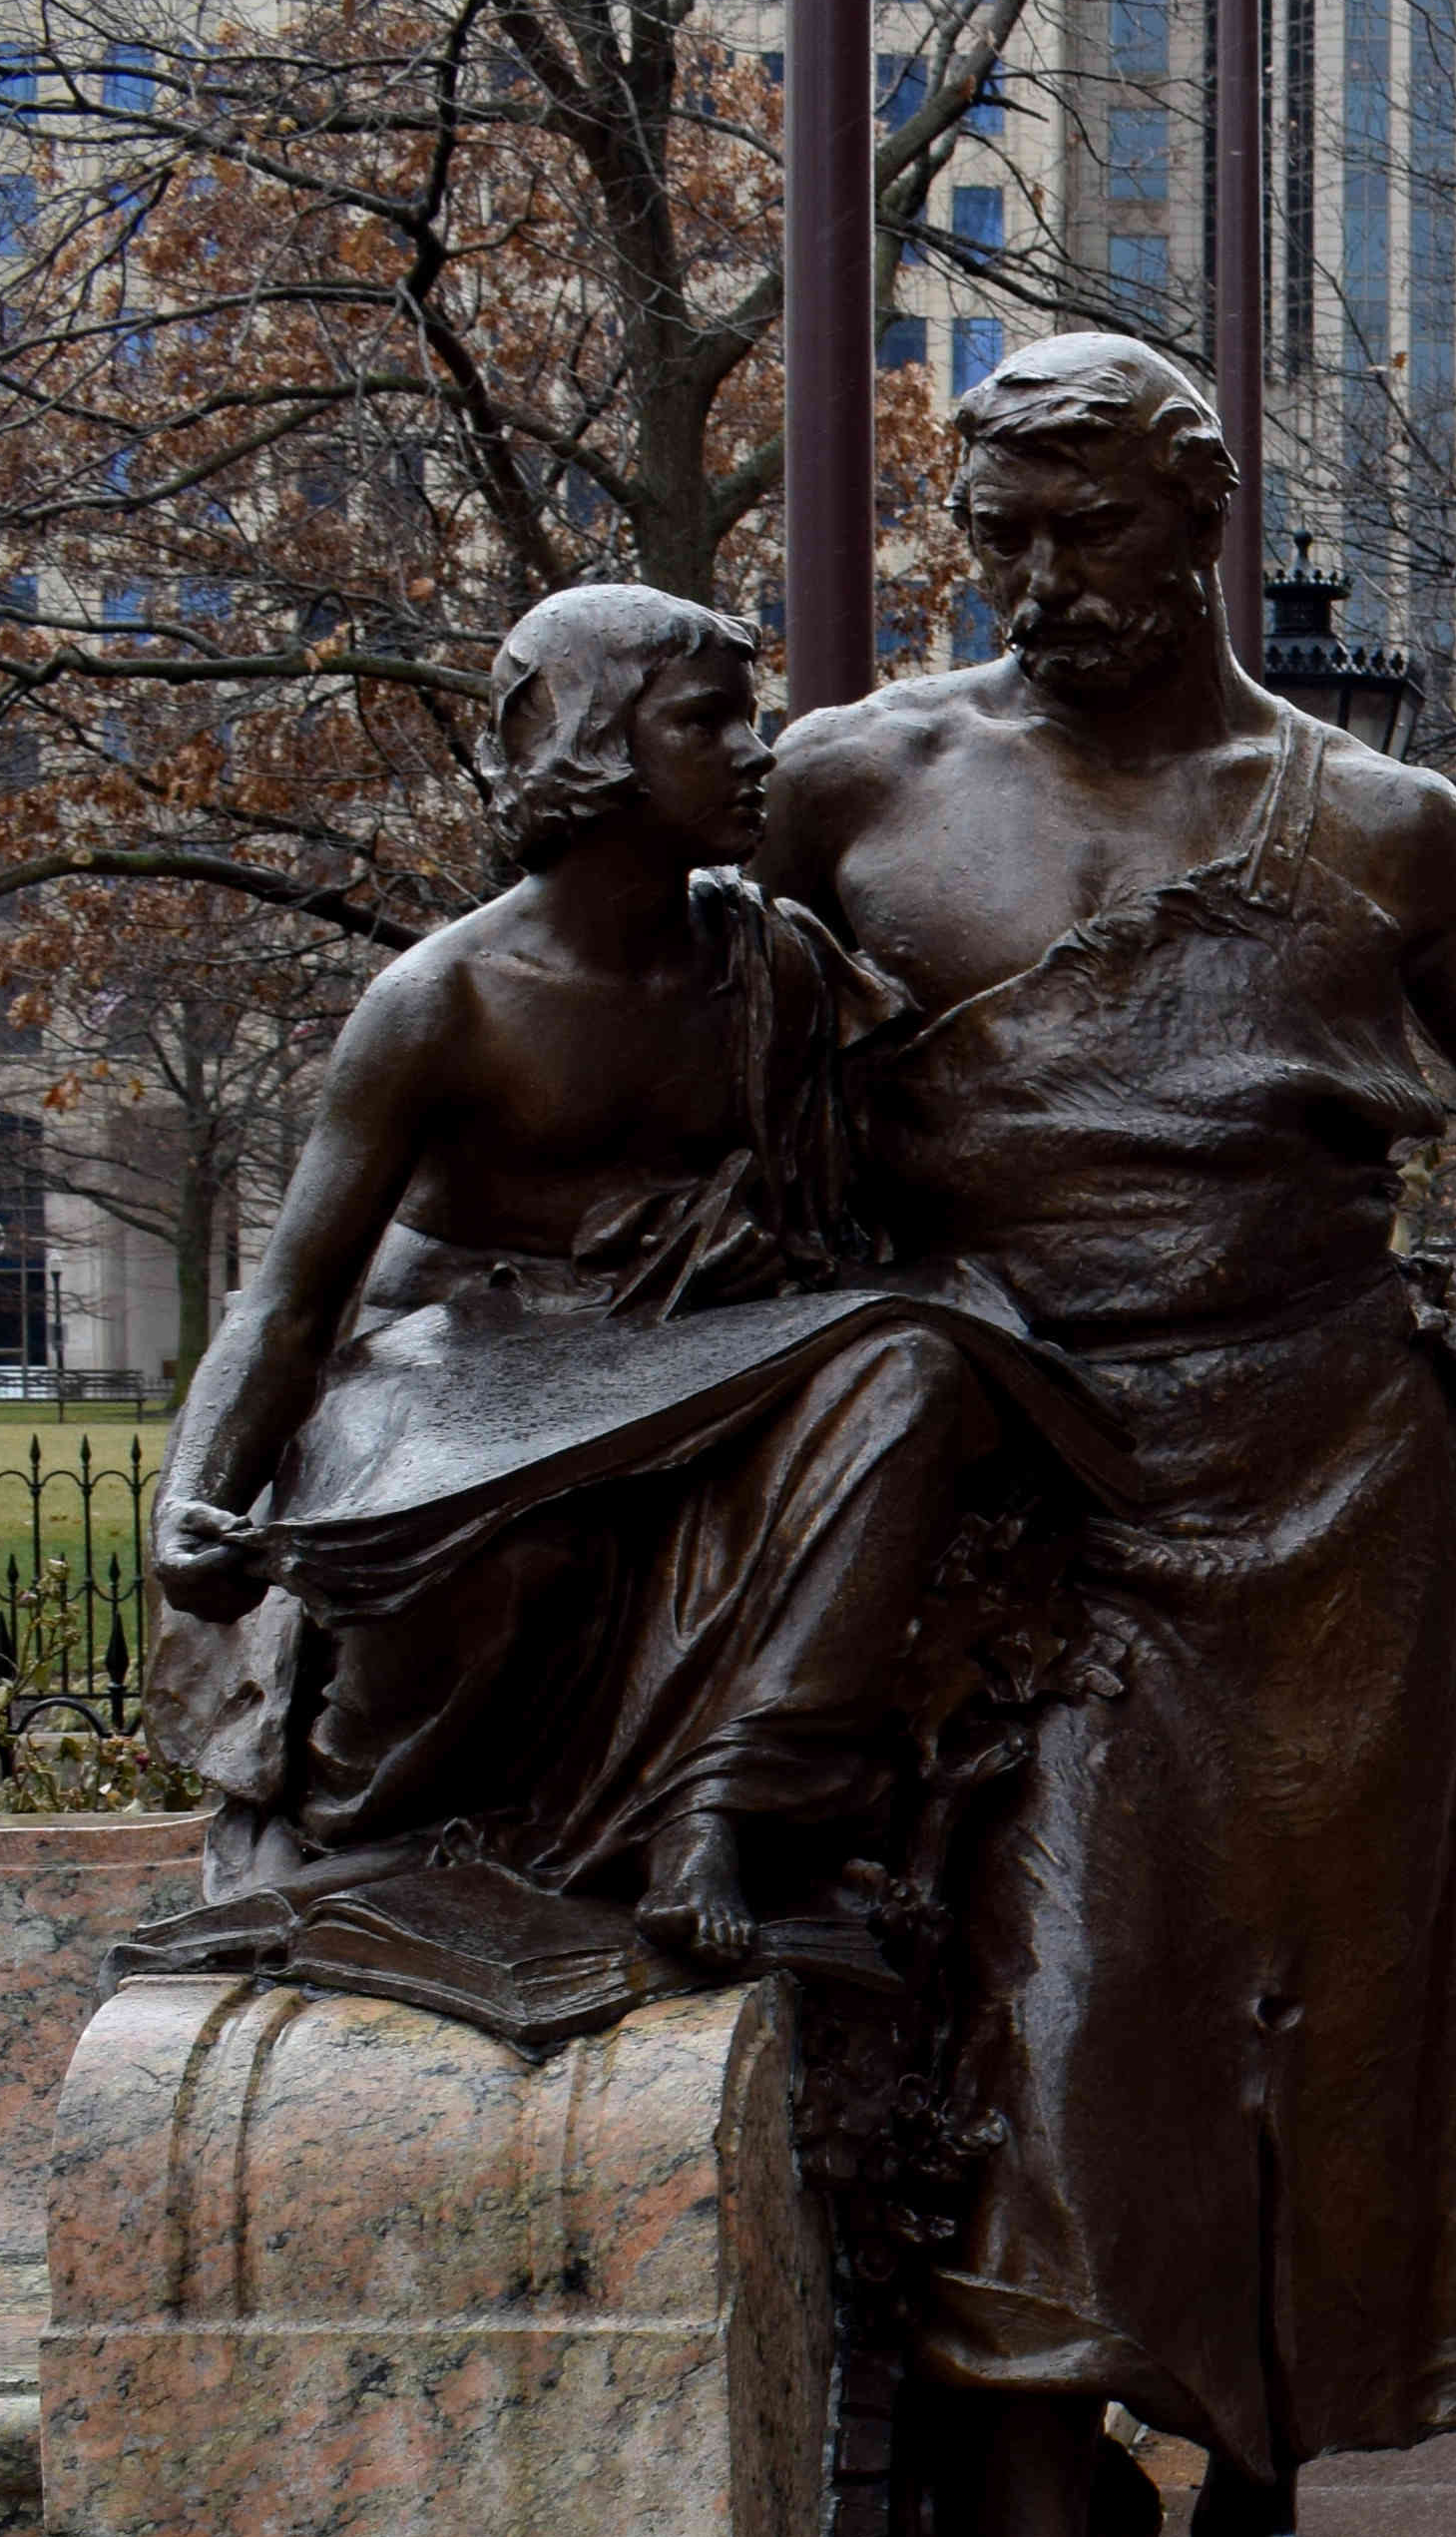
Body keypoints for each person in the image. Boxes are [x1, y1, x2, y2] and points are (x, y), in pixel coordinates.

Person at [765, 335, 1456, 2537]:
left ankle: (1251, 2534)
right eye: (994, 534)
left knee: (1307, 2054)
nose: (1031, 586)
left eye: (1083, 537)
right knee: (1050, 2030)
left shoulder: (1378, 827)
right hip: (1030, 1500)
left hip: (1330, 1485)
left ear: (1203, 523)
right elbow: (633, 1026)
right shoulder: (856, 787)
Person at [149, 585, 1098, 1963]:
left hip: (689, 1363)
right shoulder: (445, 1002)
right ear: (594, 748)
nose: (756, 750)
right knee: (516, 1551)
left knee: (914, 1365)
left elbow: (882, 1196)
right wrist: (200, 1492)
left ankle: (715, 1805)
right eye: (708, 721)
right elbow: (291, 1298)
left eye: (749, 715)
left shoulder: (772, 965)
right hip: (459, 1382)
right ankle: (373, 1835)